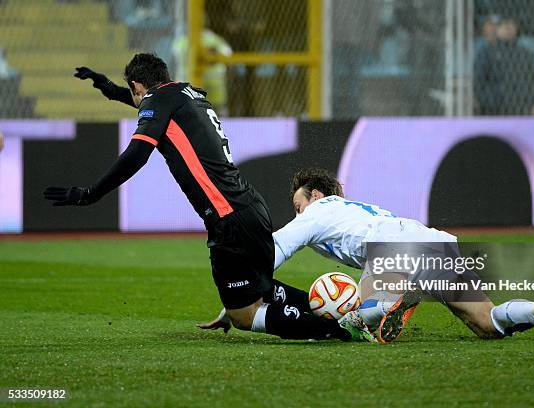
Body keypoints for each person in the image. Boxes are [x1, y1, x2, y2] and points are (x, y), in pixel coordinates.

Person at [44, 54, 379, 343]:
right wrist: (108, 89)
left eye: (132, 92)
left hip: (226, 217)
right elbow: (145, 101)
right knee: (258, 291)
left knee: (244, 315)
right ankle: (339, 311)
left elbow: (136, 154)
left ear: (137, 85)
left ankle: (340, 330)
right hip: (250, 207)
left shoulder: (158, 102)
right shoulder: (187, 94)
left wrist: (90, 194)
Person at [201, 168, 534, 341]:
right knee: (487, 324)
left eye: (298, 205)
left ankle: (391, 308)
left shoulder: (321, 210)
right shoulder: (353, 209)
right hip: (434, 241)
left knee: (352, 321)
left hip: (393, 250)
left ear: (316, 195)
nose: (297, 212)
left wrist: (239, 301)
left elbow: (275, 250)